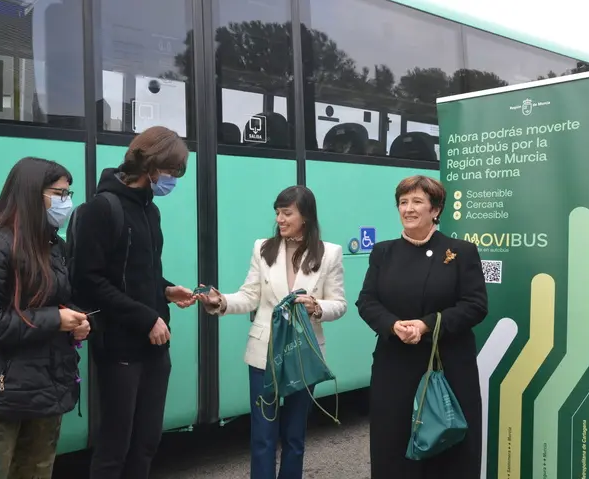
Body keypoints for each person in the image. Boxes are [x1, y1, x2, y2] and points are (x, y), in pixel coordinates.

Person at [0, 157, 90, 479]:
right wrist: (55, 320)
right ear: (30, 193)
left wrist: (77, 324)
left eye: (68, 193)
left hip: (44, 393)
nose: (66, 202)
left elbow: (63, 303)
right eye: (59, 193)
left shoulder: (54, 246)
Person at [70, 126, 196, 479]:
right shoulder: (102, 208)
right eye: (173, 172)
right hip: (119, 345)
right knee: (115, 446)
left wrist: (167, 290)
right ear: (152, 169)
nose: (174, 180)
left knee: (146, 443)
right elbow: (89, 281)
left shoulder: (150, 211)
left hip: (155, 345)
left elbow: (140, 273)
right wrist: (146, 317)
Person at [196, 185, 347, 479]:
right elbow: (250, 296)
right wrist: (222, 301)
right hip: (263, 354)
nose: (280, 219)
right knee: (262, 435)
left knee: (294, 436)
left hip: (303, 356)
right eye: (277, 212)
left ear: (305, 216)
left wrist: (317, 307)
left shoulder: (330, 254)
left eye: (287, 213)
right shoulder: (262, 248)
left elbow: (339, 304)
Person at [356, 175, 488, 479]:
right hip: (395, 368)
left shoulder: (461, 252)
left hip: (448, 371)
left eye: (417, 201)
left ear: (435, 209)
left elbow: (475, 305)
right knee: (394, 448)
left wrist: (427, 325)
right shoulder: (383, 252)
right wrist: (392, 325)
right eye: (403, 202)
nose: (408, 208)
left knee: (448, 454)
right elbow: (367, 301)